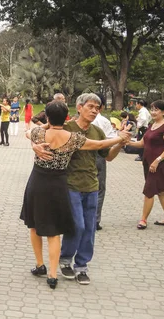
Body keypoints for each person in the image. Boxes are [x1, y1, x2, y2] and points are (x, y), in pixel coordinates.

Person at [23, 100, 128, 289]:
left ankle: (40, 265)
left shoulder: (39, 133)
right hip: (59, 184)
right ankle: (53, 275)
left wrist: (35, 144)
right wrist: (120, 138)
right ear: (66, 117)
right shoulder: (73, 138)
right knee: (54, 232)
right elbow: (100, 144)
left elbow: (28, 132)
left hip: (37, 182)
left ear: (46, 116)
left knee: (34, 225)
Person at [126, 100, 164, 229]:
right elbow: (142, 144)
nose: (153, 112)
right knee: (160, 191)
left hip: (159, 164)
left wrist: (157, 160)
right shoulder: (152, 125)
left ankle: (143, 220)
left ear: (163, 112)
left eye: (156, 110)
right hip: (149, 163)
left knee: (149, 190)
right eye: (152, 109)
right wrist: (127, 142)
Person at [91, 96, 118, 231]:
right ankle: (94, 220)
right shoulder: (104, 121)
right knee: (99, 189)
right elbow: (113, 139)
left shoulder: (78, 121)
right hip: (99, 156)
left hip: (87, 156)